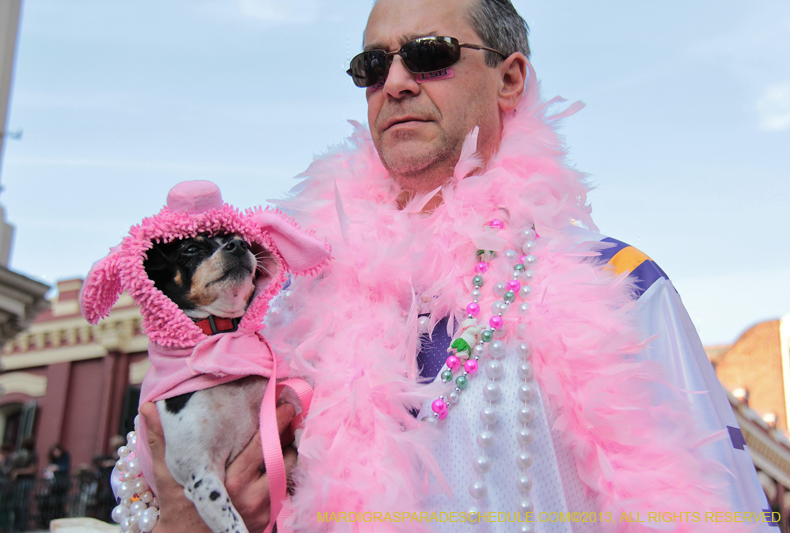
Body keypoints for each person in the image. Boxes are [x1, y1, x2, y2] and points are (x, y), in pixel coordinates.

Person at [141, 0, 771, 531]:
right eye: (373, 65)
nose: (396, 82)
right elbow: (153, 493)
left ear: (510, 79)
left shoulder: (616, 287)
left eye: (430, 53)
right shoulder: (280, 306)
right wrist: (181, 515)